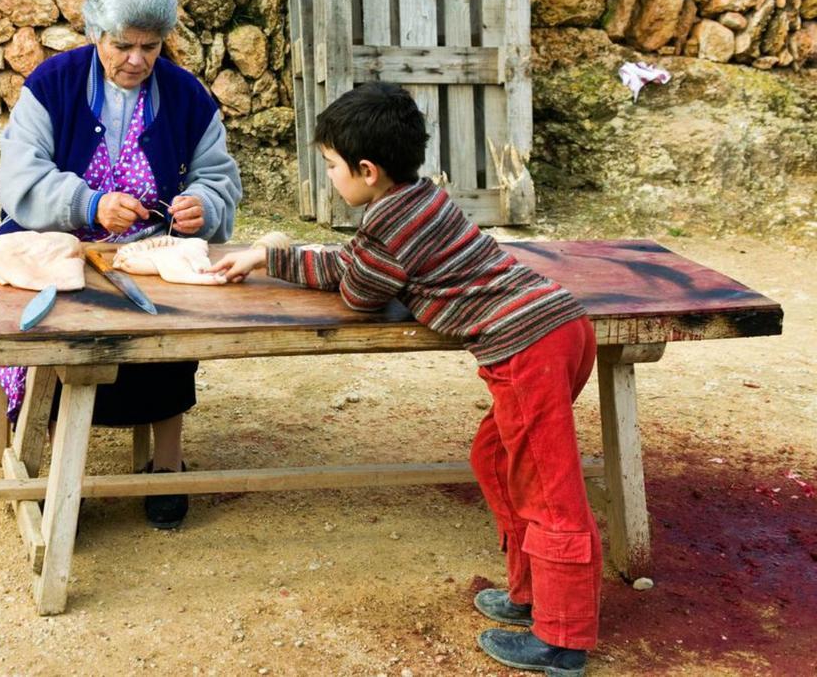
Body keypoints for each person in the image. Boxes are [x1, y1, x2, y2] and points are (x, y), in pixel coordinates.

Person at [207, 82, 598, 676]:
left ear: (367, 171)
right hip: (557, 329)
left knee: (548, 491)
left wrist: (280, 255)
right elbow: (359, 264)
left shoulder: (388, 226)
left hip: (526, 350)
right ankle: (527, 593)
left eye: (333, 167)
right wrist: (269, 257)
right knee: (495, 458)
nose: (331, 177)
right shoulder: (422, 200)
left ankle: (563, 639)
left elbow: (361, 290)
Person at [0, 0, 243, 529]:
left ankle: (166, 466)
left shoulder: (186, 96)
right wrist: (89, 205)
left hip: (149, 252)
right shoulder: (52, 84)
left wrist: (202, 206)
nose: (137, 60)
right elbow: (20, 177)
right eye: (123, 45)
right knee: (60, 344)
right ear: (95, 32)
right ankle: (64, 472)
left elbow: (218, 176)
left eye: (151, 47)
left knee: (170, 336)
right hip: (58, 248)